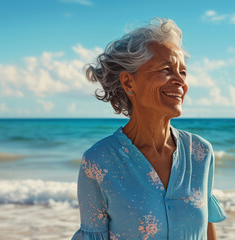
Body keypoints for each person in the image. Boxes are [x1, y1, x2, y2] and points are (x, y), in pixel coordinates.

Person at [71, 18, 226, 240]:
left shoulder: (200, 153)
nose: (180, 82)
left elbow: (207, 229)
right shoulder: (98, 162)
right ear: (128, 82)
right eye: (166, 69)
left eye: (183, 72)